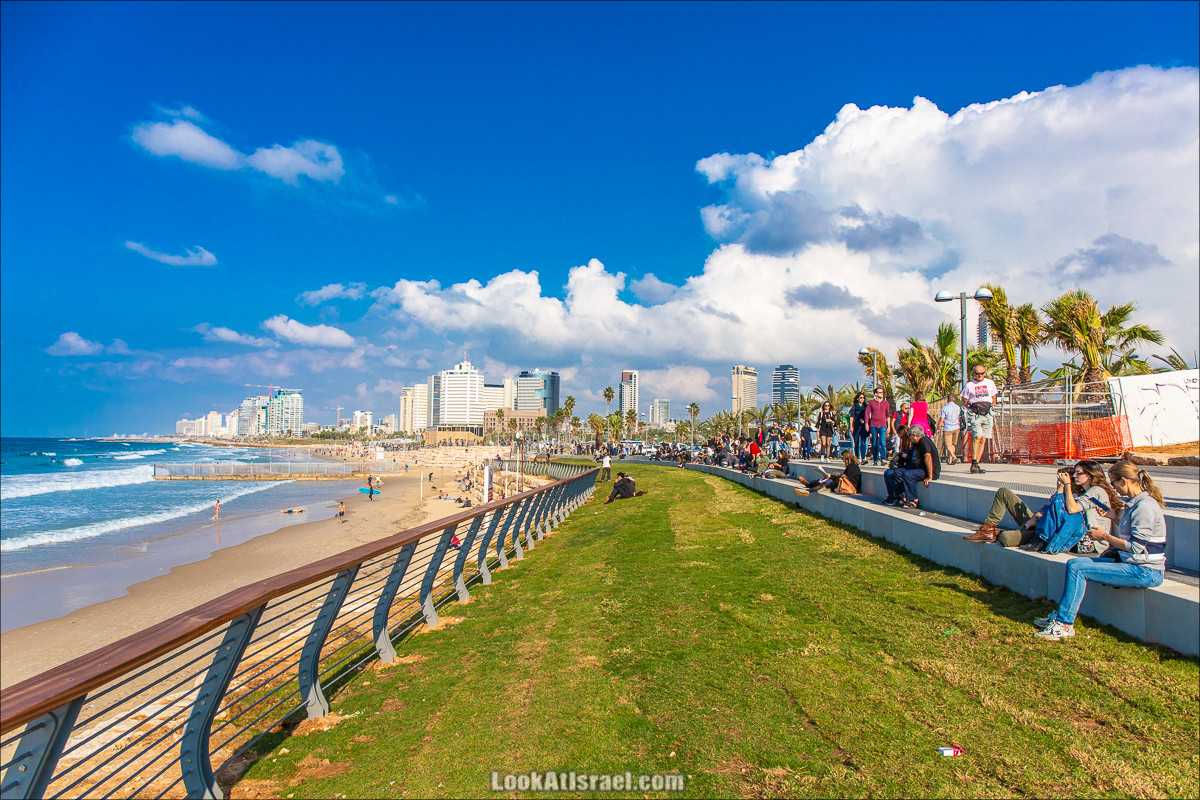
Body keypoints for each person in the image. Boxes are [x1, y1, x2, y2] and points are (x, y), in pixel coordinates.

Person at [1034, 461, 1167, 641]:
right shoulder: (1136, 503)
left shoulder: (1144, 507)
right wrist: (1113, 517)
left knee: (1078, 569)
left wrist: (1104, 536)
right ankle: (1060, 618)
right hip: (1134, 565)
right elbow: (1134, 534)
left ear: (1124, 481)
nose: (1113, 488)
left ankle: (1065, 624)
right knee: (1074, 564)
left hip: (1144, 570)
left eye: (1113, 483)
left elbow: (1136, 547)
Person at [963, 460, 1120, 550]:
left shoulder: (1095, 492)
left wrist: (1063, 487)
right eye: (1074, 473)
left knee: (1006, 538)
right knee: (1004, 492)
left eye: (1078, 473)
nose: (1075, 476)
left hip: (1071, 539)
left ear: (1090, 475)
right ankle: (988, 529)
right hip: (1051, 528)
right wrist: (1037, 517)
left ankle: (996, 533)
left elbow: (1069, 511)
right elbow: (1051, 510)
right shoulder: (1086, 493)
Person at [883, 425, 939, 508]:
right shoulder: (916, 443)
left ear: (915, 435)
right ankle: (900, 498)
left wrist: (930, 476)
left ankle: (914, 500)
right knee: (894, 473)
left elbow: (928, 457)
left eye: (910, 435)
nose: (909, 437)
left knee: (908, 474)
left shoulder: (924, 441)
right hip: (918, 469)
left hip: (928, 471)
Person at [961, 366, 999, 473]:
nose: (980, 375)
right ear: (974, 373)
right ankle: (973, 462)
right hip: (975, 413)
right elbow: (964, 400)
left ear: (985, 373)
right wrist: (971, 410)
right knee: (977, 437)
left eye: (982, 373)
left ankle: (977, 462)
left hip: (987, 413)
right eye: (978, 373)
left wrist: (989, 406)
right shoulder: (969, 385)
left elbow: (993, 397)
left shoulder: (990, 383)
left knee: (983, 438)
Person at [794, 450, 861, 496]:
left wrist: (832, 476)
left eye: (842, 458)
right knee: (824, 481)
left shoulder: (852, 467)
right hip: (846, 484)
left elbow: (845, 477)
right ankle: (808, 486)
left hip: (850, 487)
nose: (842, 459)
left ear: (846, 457)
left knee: (826, 482)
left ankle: (808, 489)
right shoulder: (852, 466)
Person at [866, 387, 890, 466]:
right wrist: (866, 423)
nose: (881, 394)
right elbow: (867, 413)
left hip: (883, 425)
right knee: (874, 443)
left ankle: (883, 458)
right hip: (873, 425)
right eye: (879, 392)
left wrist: (889, 426)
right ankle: (875, 459)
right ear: (876, 394)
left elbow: (888, 415)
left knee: (882, 442)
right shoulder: (871, 403)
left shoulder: (886, 403)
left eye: (882, 392)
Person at [938, 398, 962, 465]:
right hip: (956, 427)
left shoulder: (944, 408)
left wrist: (938, 428)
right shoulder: (958, 407)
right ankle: (950, 460)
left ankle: (954, 457)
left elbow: (941, 419)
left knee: (948, 444)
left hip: (948, 427)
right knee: (953, 444)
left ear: (947, 399)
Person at [849, 392, 869, 462]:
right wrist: (851, 426)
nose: (862, 399)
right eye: (861, 397)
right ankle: (857, 457)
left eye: (863, 398)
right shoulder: (854, 407)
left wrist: (866, 422)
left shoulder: (866, 407)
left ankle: (863, 457)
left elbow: (868, 415)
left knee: (863, 442)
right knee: (856, 443)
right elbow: (852, 417)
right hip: (856, 426)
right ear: (858, 399)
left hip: (863, 426)